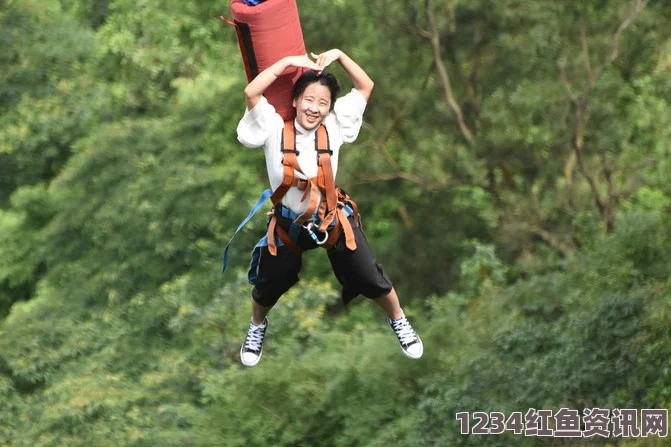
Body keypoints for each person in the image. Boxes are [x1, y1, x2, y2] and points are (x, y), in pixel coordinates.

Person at [236, 49, 423, 367]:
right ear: (295, 100)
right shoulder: (272, 127)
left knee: (368, 275)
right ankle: (256, 327)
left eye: (323, 103)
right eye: (308, 100)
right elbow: (251, 91)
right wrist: (286, 63)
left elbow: (365, 86)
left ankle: (399, 320)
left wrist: (338, 55)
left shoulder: (334, 126)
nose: (314, 108)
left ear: (329, 108)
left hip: (330, 220)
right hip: (288, 224)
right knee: (270, 281)